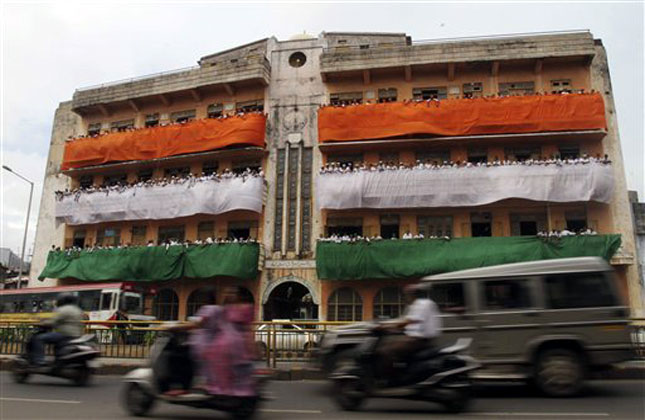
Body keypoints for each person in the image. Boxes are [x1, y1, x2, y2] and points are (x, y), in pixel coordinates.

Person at [376, 284, 441, 377]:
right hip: (414, 339)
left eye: (406, 295)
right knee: (387, 346)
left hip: (419, 340)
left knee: (386, 351)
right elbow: (404, 320)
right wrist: (385, 324)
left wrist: (385, 326)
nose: (405, 297)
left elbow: (409, 321)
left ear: (413, 295)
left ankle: (389, 380)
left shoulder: (422, 304)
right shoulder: (416, 305)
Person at [30, 293, 83, 366]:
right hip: (76, 335)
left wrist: (41, 323)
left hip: (64, 335)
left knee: (39, 339)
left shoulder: (63, 309)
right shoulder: (78, 310)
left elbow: (53, 321)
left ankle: (39, 360)